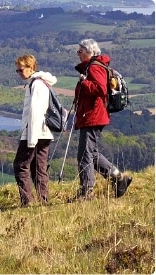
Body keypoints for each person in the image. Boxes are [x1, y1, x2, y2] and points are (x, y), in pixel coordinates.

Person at [69, 38, 132, 202]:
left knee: (84, 154)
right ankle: (118, 178)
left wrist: (84, 83)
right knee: (92, 153)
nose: (78, 53)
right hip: (94, 115)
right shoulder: (96, 66)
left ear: (89, 51)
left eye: (80, 51)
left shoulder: (94, 67)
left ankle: (86, 192)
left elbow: (100, 89)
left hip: (92, 116)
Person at [13, 54, 57, 207]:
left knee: (20, 166)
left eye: (21, 69)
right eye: (17, 70)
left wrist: (31, 139)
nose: (19, 73)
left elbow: (35, 112)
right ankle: (43, 201)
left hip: (34, 133)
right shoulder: (41, 83)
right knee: (39, 167)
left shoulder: (36, 85)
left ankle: (28, 202)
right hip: (44, 132)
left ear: (31, 67)